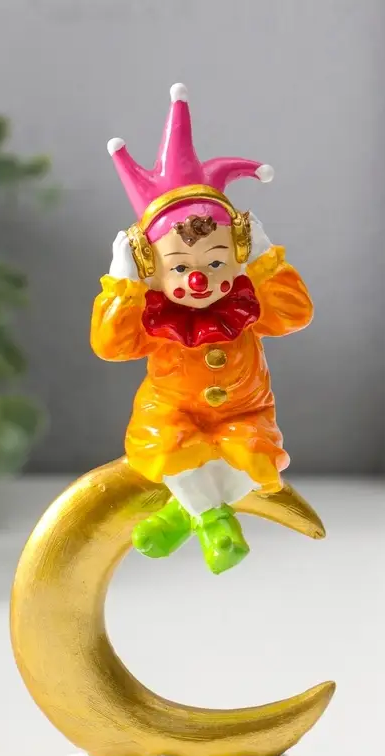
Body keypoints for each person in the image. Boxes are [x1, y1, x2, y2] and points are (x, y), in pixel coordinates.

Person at [91, 84, 313, 574]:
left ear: (236, 256)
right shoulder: (153, 313)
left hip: (246, 410)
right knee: (173, 450)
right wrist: (123, 286)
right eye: (179, 266)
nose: (200, 278)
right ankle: (215, 522)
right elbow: (111, 345)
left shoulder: (246, 303)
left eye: (215, 262)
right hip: (171, 411)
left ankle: (180, 516)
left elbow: (295, 314)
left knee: (256, 460)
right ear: (152, 269)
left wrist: (265, 261)